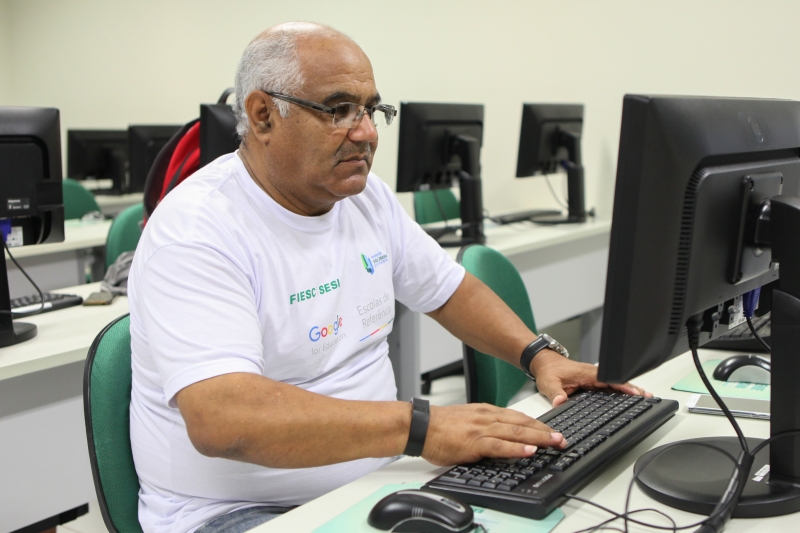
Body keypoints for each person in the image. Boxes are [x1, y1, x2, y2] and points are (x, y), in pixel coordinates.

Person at [128, 22, 647, 533]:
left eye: (372, 110)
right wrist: (421, 427)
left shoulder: (364, 197)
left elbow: (449, 290)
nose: (367, 132)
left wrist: (540, 356)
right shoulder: (198, 229)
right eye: (338, 110)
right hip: (237, 510)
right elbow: (225, 419)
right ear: (263, 115)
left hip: (382, 476)